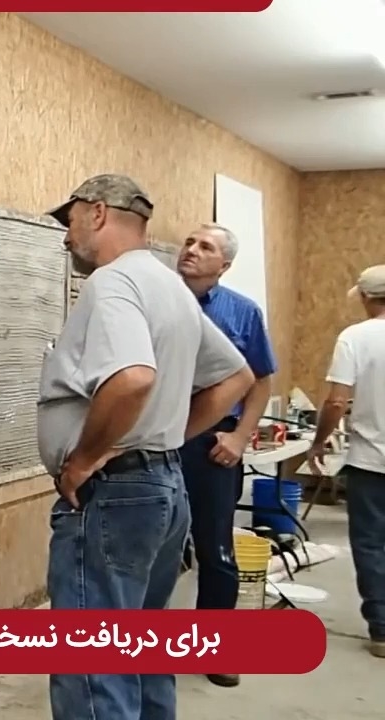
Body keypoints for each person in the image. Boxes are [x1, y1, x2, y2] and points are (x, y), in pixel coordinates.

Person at [39, 174, 255, 720]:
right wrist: (167, 435)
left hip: (115, 495)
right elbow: (237, 376)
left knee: (93, 664)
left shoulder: (112, 283)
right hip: (163, 486)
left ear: (97, 213)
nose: (67, 236)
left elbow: (132, 378)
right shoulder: (169, 287)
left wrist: (84, 459)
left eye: (71, 222)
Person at [174, 223, 278, 688]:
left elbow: (261, 381)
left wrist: (240, 438)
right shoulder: (158, 299)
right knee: (150, 547)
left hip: (211, 445)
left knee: (215, 549)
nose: (192, 250)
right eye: (189, 242)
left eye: (205, 247)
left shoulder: (242, 312)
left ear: (225, 265)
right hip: (157, 437)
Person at [306, 264, 385, 659]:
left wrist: (318, 442)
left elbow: (337, 400)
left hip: (371, 460)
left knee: (371, 544)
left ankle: (382, 630)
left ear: (367, 297)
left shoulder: (355, 337)